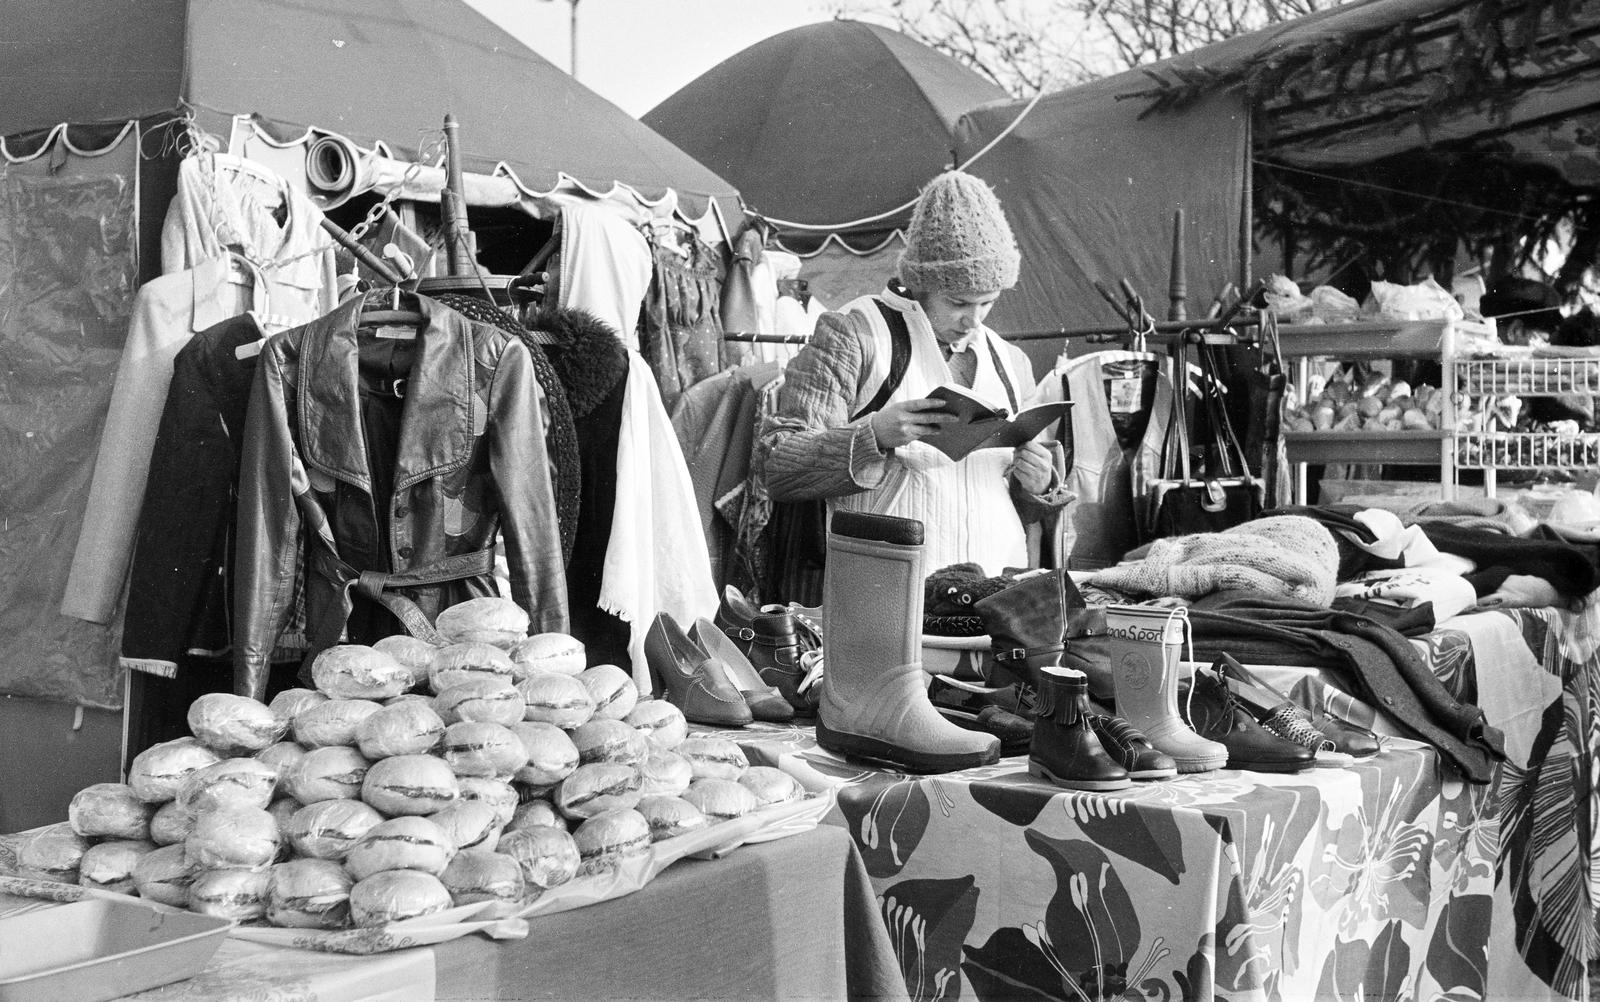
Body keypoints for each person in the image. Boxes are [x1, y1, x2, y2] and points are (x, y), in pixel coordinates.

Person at [755, 170, 1071, 575]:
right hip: (891, 589)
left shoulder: (1011, 360)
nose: (973, 320)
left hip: (997, 587)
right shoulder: (855, 334)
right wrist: (873, 436)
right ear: (921, 284)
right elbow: (778, 465)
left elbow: (1014, 498)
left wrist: (1038, 485)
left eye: (987, 302)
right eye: (958, 302)